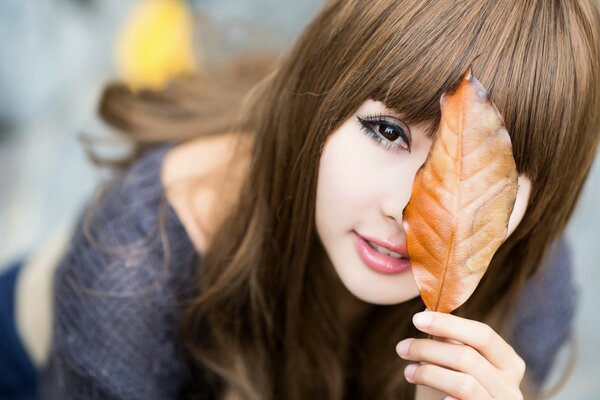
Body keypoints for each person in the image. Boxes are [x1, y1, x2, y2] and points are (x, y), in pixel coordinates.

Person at [3, 0, 597, 399]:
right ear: (320, 109)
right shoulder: (133, 272)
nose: (410, 209)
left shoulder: (528, 295)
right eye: (388, 132)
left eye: (484, 177)